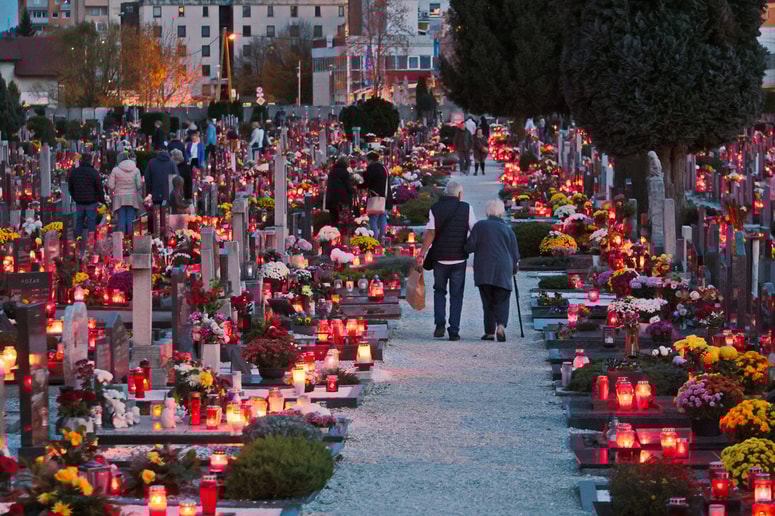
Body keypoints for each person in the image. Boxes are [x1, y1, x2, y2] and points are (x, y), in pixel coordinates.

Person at [417, 181, 477, 341]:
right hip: (458, 258)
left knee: (439, 291)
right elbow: (475, 231)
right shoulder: (466, 208)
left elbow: (430, 232)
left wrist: (422, 253)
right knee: (456, 295)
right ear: (459, 194)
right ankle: (454, 330)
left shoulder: (435, 208)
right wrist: (468, 247)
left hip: (439, 257)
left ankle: (439, 323)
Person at [464, 200, 520, 341]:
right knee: (502, 299)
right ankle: (500, 326)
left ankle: (489, 332)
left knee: (487, 300)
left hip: (484, 268)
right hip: (504, 269)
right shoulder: (508, 230)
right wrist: (514, 269)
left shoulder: (480, 226)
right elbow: (515, 255)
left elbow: (469, 246)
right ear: (501, 213)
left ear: (487, 212)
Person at [67, 153, 105, 257]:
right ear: (90, 161)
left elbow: (70, 187)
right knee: (91, 223)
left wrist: (75, 197)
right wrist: (102, 200)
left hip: (79, 202)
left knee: (79, 222)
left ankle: (77, 244)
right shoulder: (93, 172)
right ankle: (90, 246)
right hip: (91, 202)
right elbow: (99, 188)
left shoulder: (75, 172)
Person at [108, 151, 142, 237]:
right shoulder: (136, 170)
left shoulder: (115, 170)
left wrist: (116, 189)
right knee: (131, 219)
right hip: (132, 198)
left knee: (121, 219)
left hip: (119, 198)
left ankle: (121, 241)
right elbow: (139, 185)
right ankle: (131, 239)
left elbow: (111, 185)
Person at [362, 150, 392, 241]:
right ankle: (382, 239)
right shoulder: (384, 168)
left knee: (373, 220)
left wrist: (358, 184)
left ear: (370, 160)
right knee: (383, 219)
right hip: (386, 197)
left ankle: (374, 241)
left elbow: (368, 182)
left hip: (376, 198)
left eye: (366, 160)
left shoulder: (372, 168)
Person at [325, 157, 354, 225]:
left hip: (331, 199)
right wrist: (352, 191)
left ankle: (333, 231)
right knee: (342, 218)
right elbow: (347, 186)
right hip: (341, 198)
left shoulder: (332, 171)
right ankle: (341, 232)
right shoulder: (344, 172)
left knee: (333, 217)